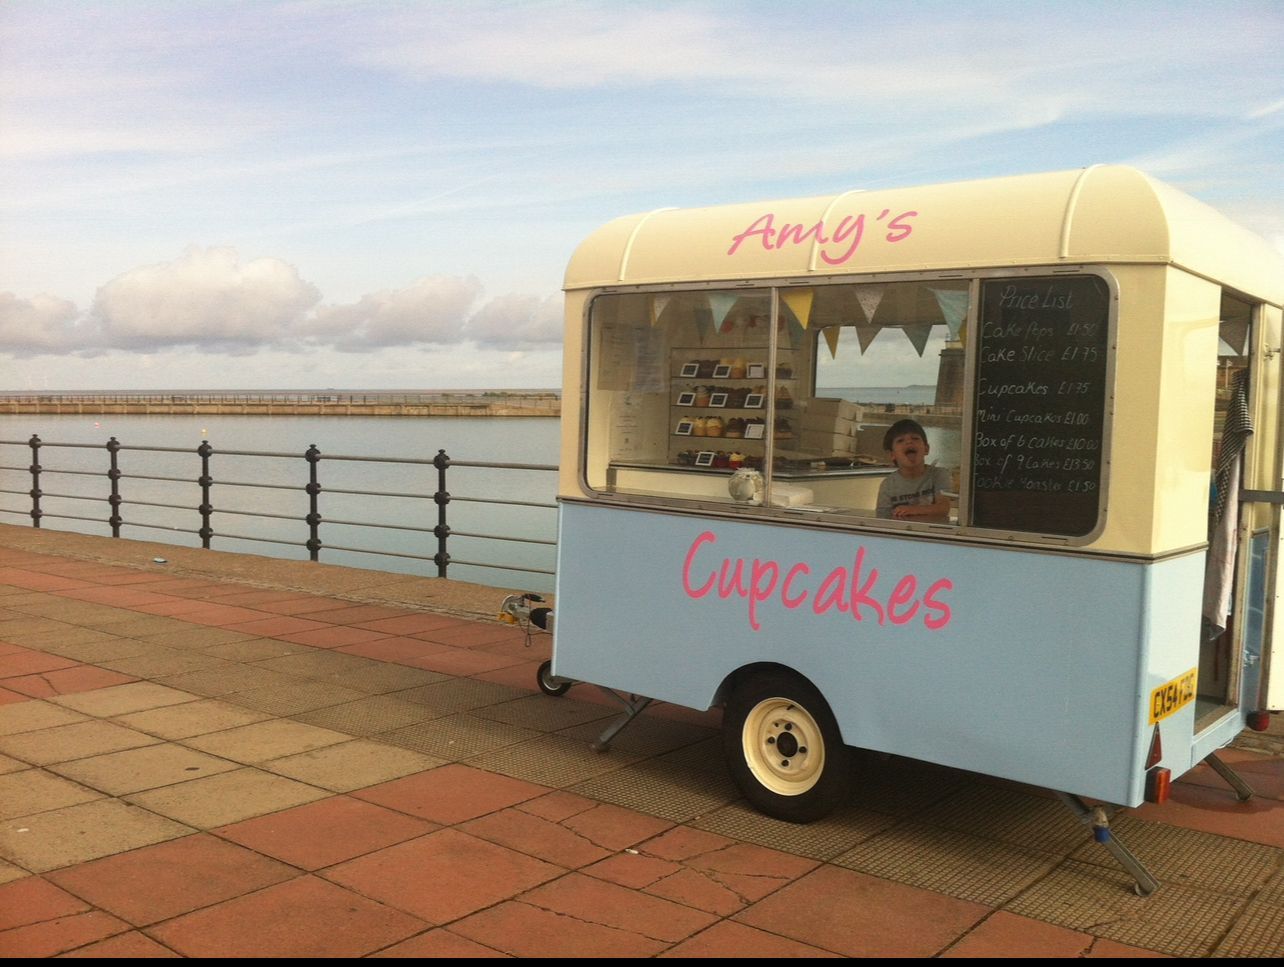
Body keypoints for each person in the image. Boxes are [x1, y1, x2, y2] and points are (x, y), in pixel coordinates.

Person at [876, 419, 952, 521]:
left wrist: (913, 510)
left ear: (926, 449)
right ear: (892, 455)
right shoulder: (888, 485)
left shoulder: (939, 474)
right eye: (900, 440)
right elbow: (882, 518)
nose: (909, 442)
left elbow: (943, 508)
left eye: (915, 438)